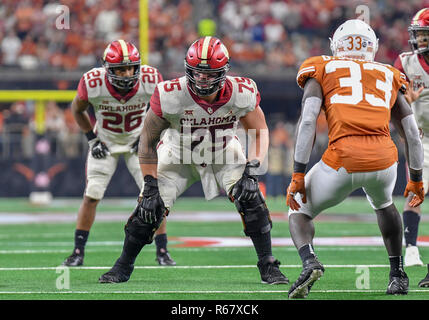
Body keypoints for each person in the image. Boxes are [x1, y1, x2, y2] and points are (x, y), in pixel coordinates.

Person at [98, 36, 289, 285]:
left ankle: (268, 264)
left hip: (222, 151)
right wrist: (150, 183)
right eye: (197, 73)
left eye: (209, 74)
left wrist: (252, 170)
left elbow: (260, 131)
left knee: (252, 198)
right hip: (178, 154)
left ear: (224, 72)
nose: (202, 79)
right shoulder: (170, 94)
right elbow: (146, 142)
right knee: (149, 208)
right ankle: (123, 265)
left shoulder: (242, 92)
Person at [285, 19, 425, 298]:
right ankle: (397, 274)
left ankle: (310, 261)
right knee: (385, 205)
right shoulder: (388, 72)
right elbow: (411, 132)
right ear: (371, 47)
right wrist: (416, 179)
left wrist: (298, 173)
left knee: (298, 211)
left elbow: (308, 121)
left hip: (343, 157)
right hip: (385, 160)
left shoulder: (321, 66)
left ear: (336, 45)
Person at [62, 40, 176, 267]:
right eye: (121, 69)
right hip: (105, 141)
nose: (127, 73)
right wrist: (91, 138)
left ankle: (162, 251)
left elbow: (163, 113)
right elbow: (77, 109)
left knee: (155, 196)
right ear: (108, 69)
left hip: (138, 142)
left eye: (131, 67)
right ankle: (78, 251)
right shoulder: (93, 82)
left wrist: (148, 137)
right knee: (92, 194)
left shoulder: (151, 79)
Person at [394, 8, 429, 278]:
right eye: (418, 34)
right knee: (415, 193)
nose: (420, 39)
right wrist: (409, 102)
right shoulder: (405, 62)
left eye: (425, 35)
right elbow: (395, 101)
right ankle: (411, 248)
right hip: (422, 139)